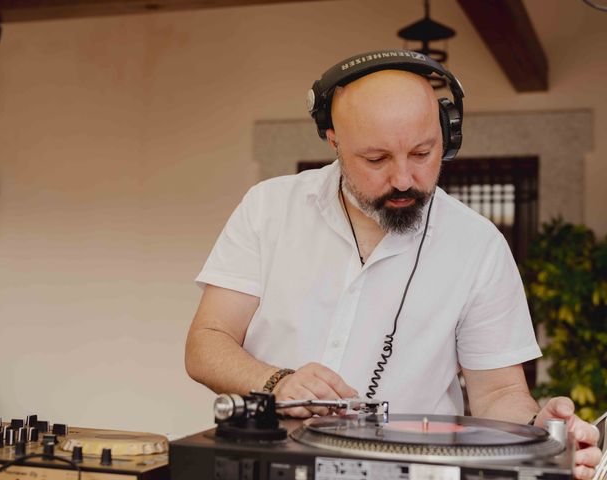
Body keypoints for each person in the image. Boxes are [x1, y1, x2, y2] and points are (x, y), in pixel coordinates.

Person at [185, 50, 602, 479]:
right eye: (376, 159)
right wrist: (275, 382)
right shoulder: (268, 208)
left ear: (448, 136)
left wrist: (542, 430)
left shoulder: (479, 245)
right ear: (334, 141)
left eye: (422, 153)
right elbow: (206, 344)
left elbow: (498, 392)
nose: (403, 179)